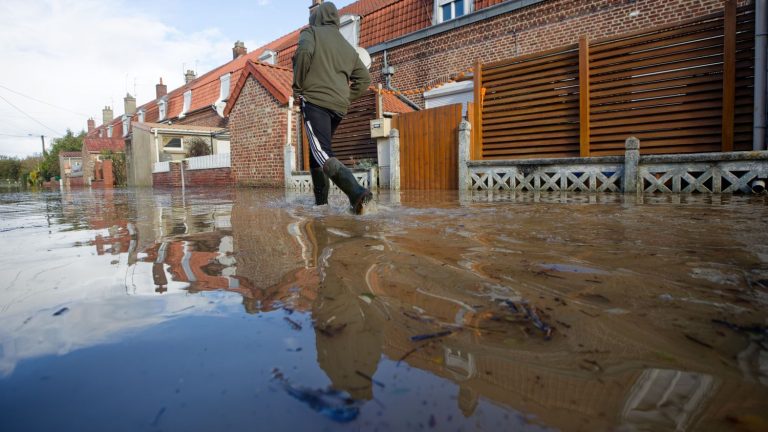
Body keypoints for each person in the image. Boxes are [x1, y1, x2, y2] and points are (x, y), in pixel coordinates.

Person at [292, 1, 373, 214]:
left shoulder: (311, 33)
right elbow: (364, 79)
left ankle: (356, 192)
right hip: (337, 109)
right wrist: (345, 97)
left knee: (321, 151)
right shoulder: (347, 47)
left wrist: (298, 86)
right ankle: (321, 204)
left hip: (316, 101)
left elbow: (303, 54)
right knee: (315, 151)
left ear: (317, 19)